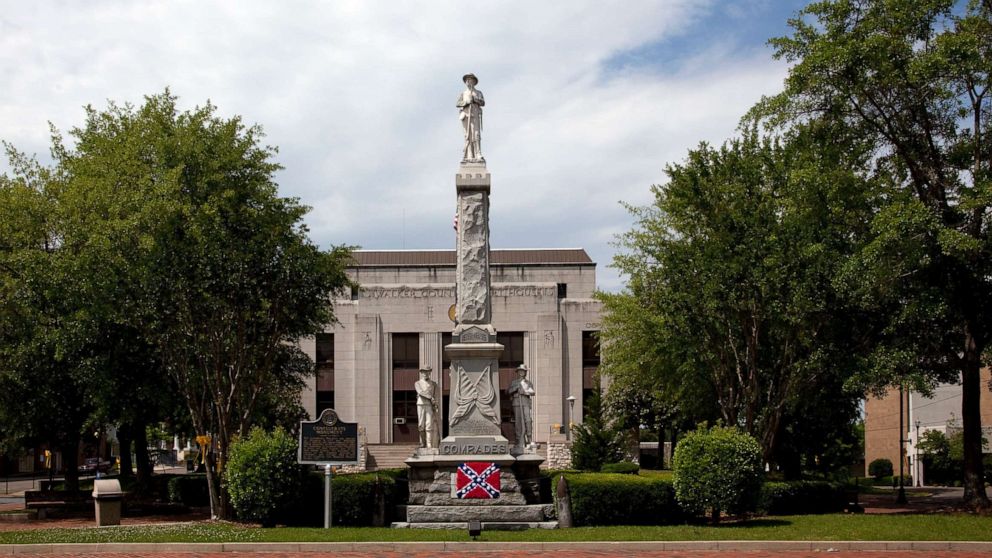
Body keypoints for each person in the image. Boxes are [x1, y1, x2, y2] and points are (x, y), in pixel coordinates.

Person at [456, 73, 485, 162]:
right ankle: (469, 154)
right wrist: (466, 102)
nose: (468, 82)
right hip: (466, 115)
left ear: (474, 81)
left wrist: (475, 99)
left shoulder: (478, 92)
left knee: (476, 134)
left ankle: (478, 153)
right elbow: (458, 103)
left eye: (470, 80)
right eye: (467, 80)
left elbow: (483, 102)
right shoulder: (463, 93)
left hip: (475, 114)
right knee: (467, 135)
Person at [507, 364, 535, 448]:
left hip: (525, 402)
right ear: (518, 372)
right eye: (520, 371)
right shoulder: (514, 382)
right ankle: (519, 439)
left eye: (523, 371)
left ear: (525, 372)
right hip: (516, 403)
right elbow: (508, 391)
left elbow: (532, 392)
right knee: (518, 421)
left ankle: (529, 438)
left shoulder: (528, 383)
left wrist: (524, 392)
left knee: (528, 420)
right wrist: (515, 388)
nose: (522, 372)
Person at [415, 366, 439, 448]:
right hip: (420, 404)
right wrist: (430, 397)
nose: (425, 373)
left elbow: (436, 396)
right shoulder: (417, 383)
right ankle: (422, 442)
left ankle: (429, 443)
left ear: (430, 373)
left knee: (429, 424)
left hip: (429, 405)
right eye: (424, 372)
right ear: (421, 373)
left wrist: (435, 404)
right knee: (421, 424)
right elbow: (421, 392)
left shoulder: (434, 384)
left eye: (427, 372)